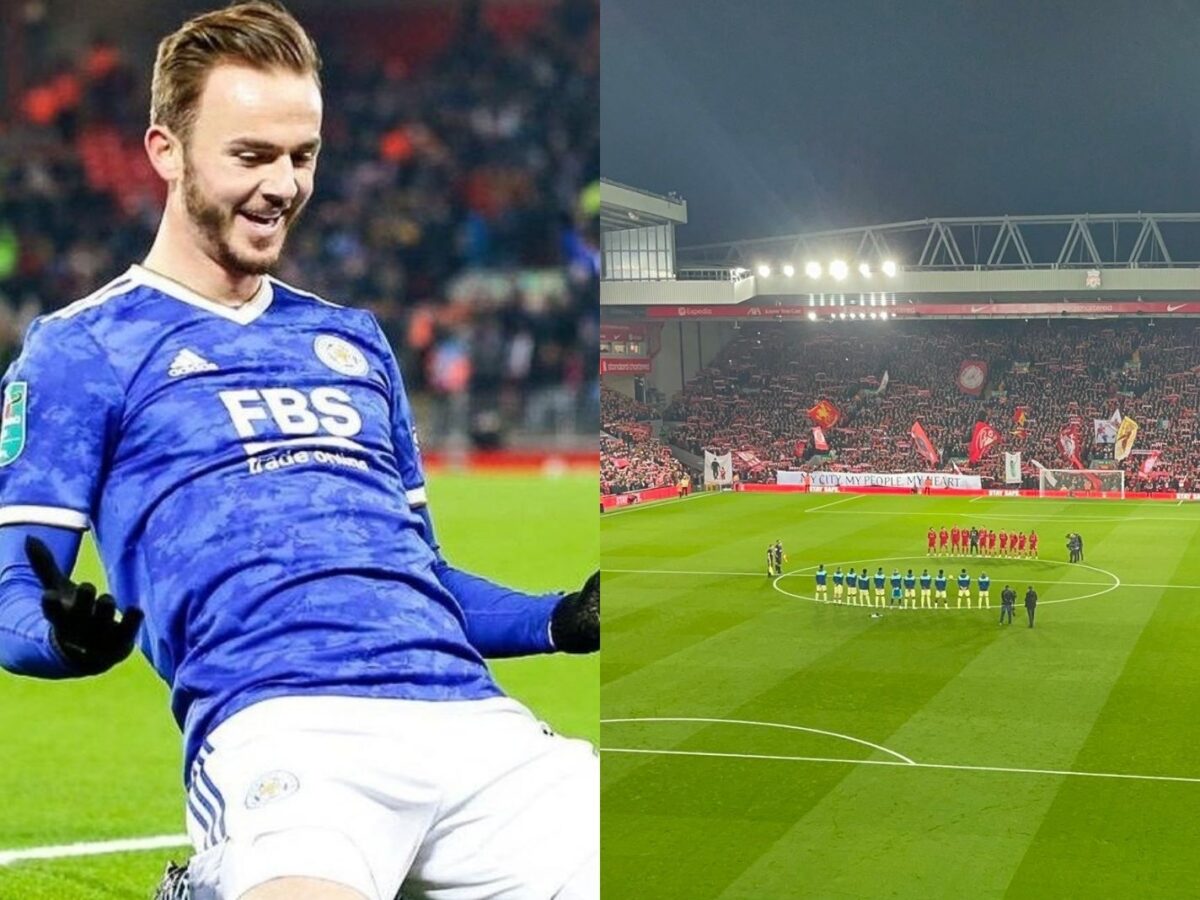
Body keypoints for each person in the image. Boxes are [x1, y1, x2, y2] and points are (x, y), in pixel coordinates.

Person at [0, 6, 599, 900]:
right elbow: (13, 584)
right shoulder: (83, 349)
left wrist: (556, 621)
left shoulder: (353, 341)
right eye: (252, 156)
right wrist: (59, 636)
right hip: (283, 728)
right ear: (166, 150)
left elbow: (421, 579)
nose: (283, 184)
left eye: (302, 156)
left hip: (476, 724)